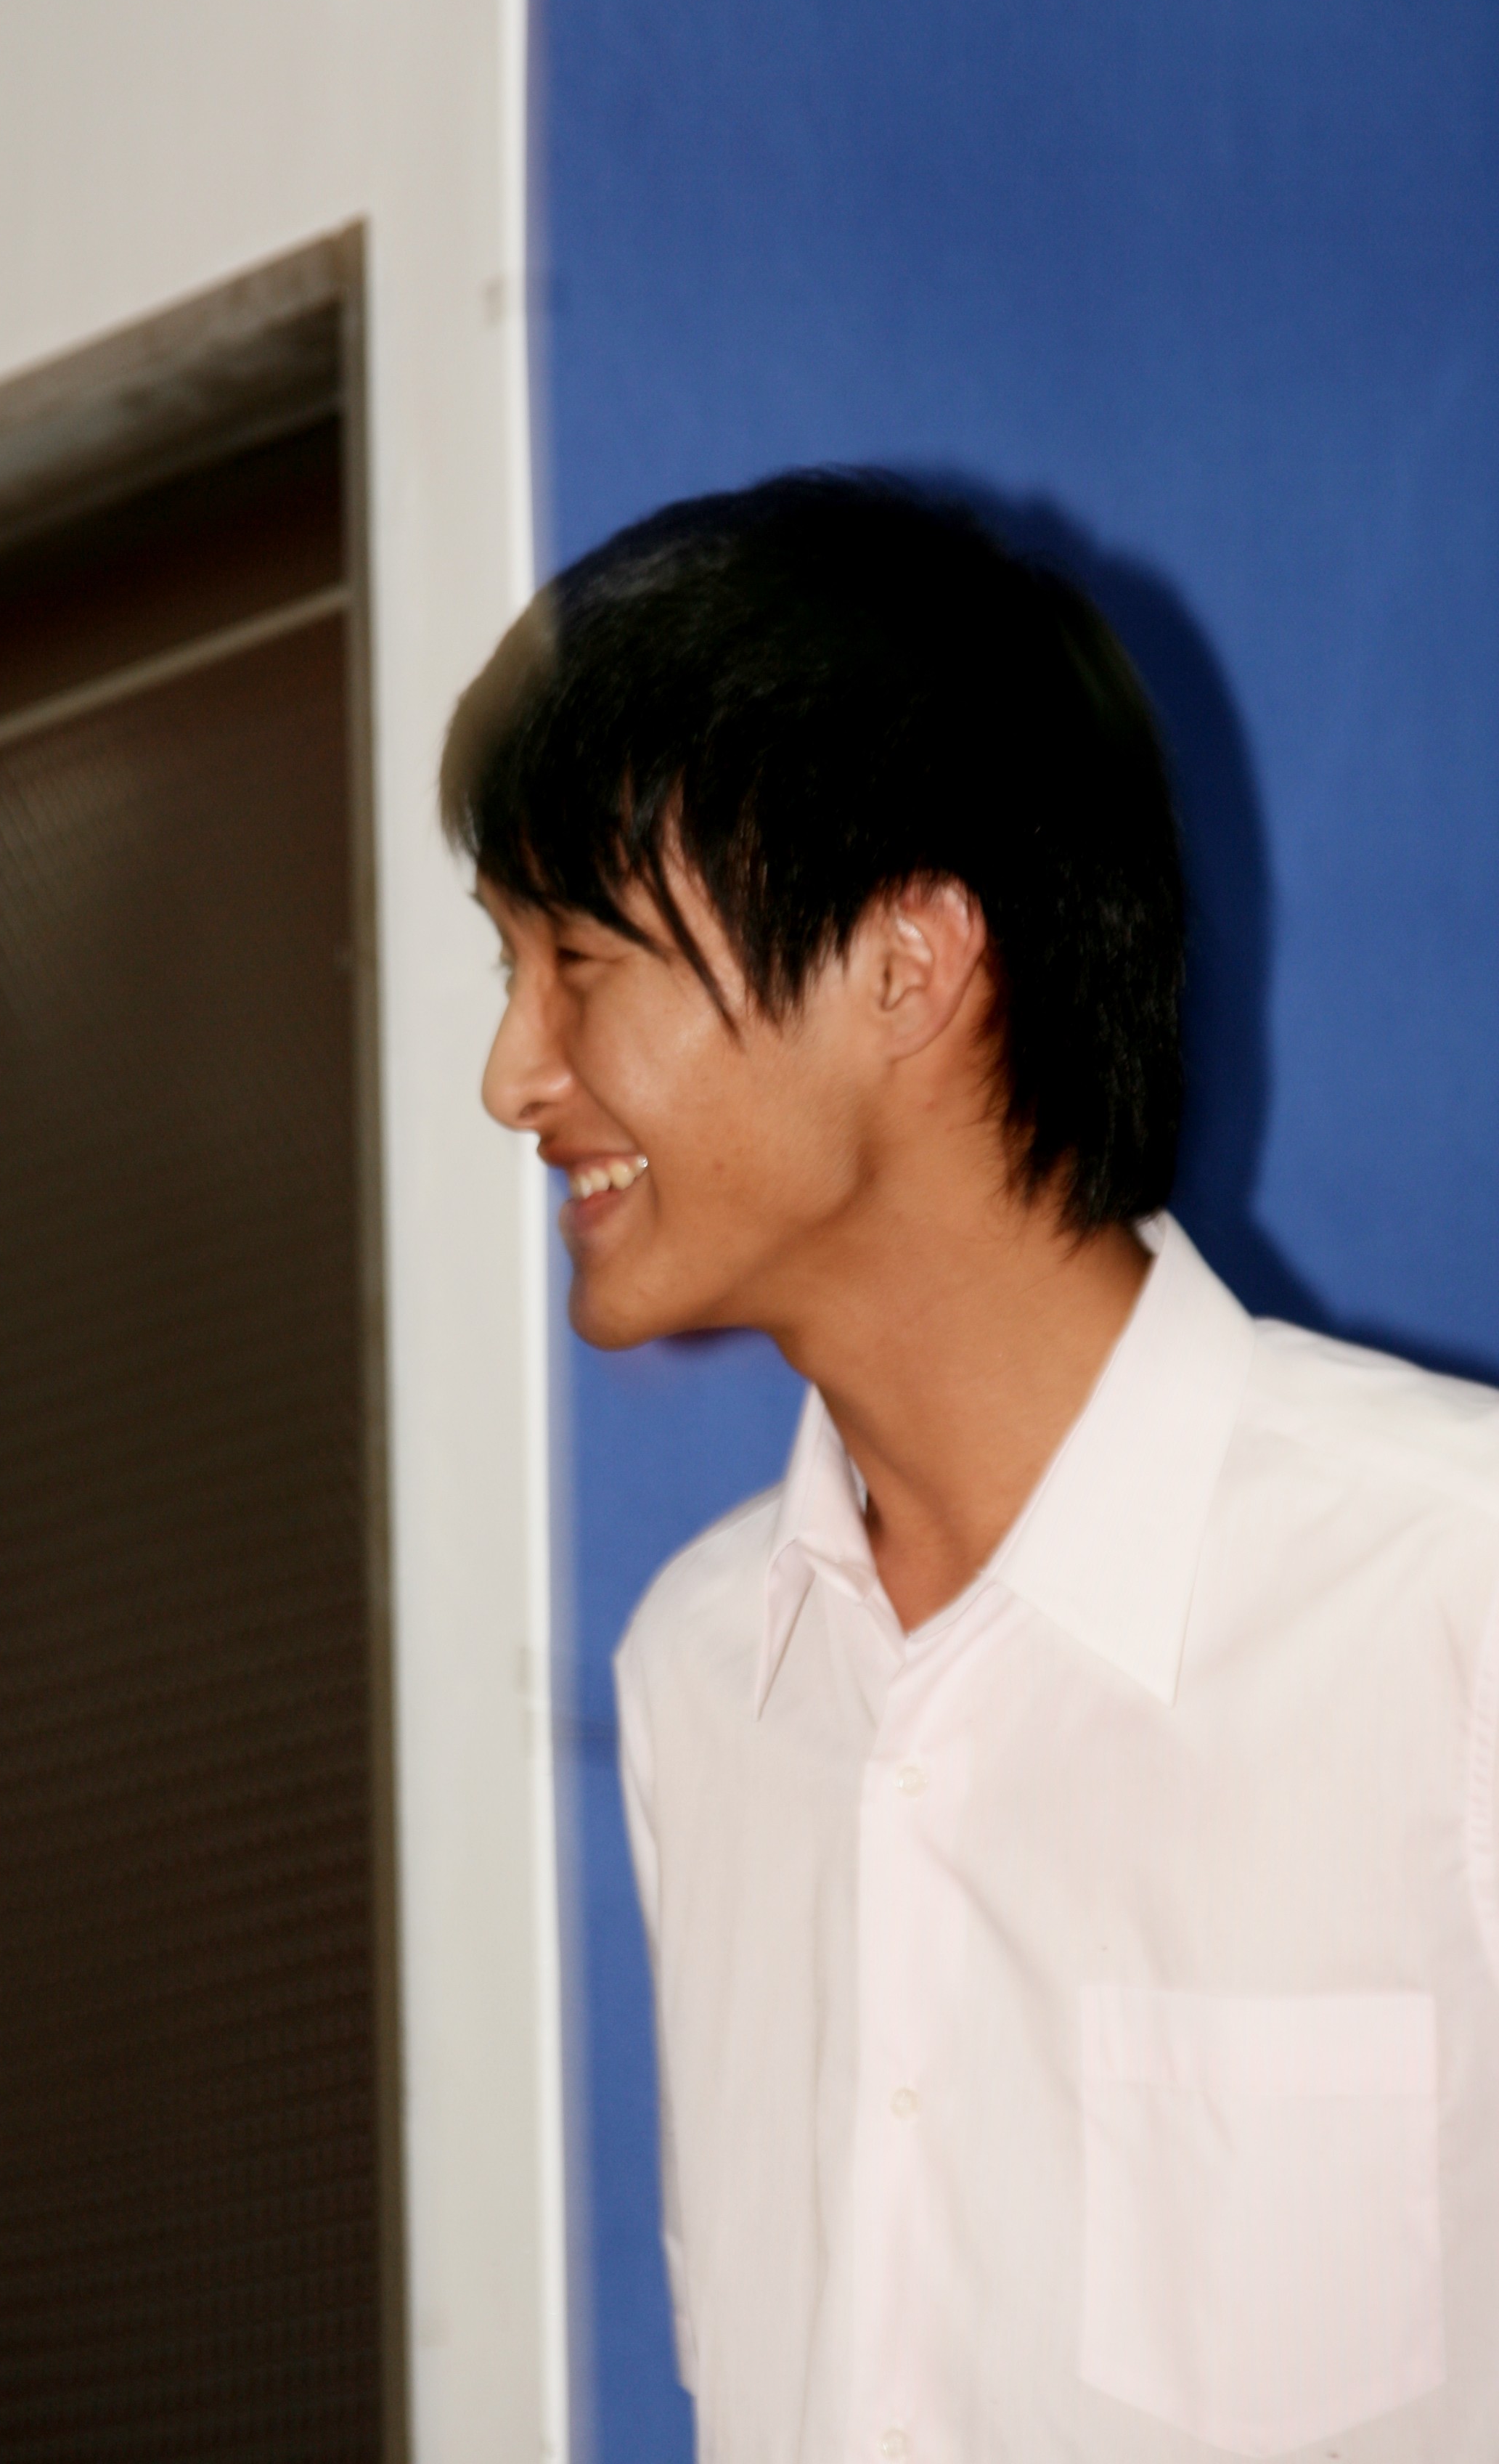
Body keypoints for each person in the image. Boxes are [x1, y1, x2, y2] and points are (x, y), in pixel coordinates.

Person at [440, 472, 1499, 2464]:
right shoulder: (702, 1677)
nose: (513, 1074)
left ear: (909, 966)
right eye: (508, 970)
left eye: (580, 957)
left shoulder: (1458, 1604)